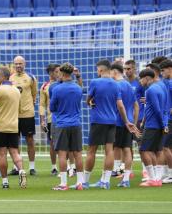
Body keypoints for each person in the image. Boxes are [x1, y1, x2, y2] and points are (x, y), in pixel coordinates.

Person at [84, 59, 138, 190]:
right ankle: (106, 181)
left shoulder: (95, 82)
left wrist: (90, 102)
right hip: (114, 121)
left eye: (97, 70)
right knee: (112, 150)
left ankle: (84, 181)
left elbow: (88, 100)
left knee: (92, 150)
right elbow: (124, 105)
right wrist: (128, 122)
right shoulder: (118, 85)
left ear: (101, 70)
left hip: (99, 120)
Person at [50, 63, 84, 191]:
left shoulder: (57, 89)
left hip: (62, 124)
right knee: (78, 154)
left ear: (62, 73)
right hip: (76, 123)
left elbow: (52, 108)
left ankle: (63, 184)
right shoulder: (78, 88)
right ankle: (80, 183)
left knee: (62, 155)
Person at [110, 63, 139, 187]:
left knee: (113, 147)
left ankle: (115, 171)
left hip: (118, 121)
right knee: (126, 149)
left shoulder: (115, 85)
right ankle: (125, 177)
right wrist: (134, 122)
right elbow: (136, 105)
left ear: (114, 72)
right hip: (129, 121)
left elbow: (118, 105)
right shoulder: (129, 85)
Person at [138, 68, 168, 187]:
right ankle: (157, 179)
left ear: (146, 78)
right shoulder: (162, 87)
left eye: (141, 78)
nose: (140, 81)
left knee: (143, 150)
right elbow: (164, 107)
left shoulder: (150, 90)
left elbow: (157, 109)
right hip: (159, 123)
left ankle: (152, 178)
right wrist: (164, 124)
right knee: (158, 150)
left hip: (153, 125)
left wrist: (162, 124)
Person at [9, 56, 38, 176]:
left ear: (24, 64)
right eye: (16, 64)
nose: (18, 66)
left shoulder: (31, 78)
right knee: (15, 142)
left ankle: (32, 167)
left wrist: (29, 106)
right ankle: (17, 167)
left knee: (30, 140)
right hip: (14, 114)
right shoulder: (10, 78)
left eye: (20, 63)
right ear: (13, 65)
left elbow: (34, 94)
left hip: (28, 114)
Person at [123, 59, 147, 180]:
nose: (126, 71)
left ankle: (145, 170)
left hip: (139, 117)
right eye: (125, 69)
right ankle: (129, 171)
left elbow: (146, 98)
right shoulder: (123, 83)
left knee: (141, 144)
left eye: (129, 69)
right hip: (127, 118)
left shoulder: (140, 83)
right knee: (127, 146)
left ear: (134, 69)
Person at [40, 64, 60, 176]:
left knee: (64, 144)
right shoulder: (44, 86)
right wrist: (42, 120)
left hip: (62, 118)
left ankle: (69, 166)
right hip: (50, 118)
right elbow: (42, 105)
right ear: (51, 73)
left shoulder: (63, 84)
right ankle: (54, 167)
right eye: (57, 71)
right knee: (52, 143)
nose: (59, 73)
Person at [160, 59, 172, 183]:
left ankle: (170, 174)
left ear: (170, 69)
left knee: (165, 147)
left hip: (169, 119)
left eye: (163, 71)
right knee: (168, 147)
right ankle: (165, 173)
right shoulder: (167, 82)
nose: (162, 73)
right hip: (168, 118)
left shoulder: (170, 83)